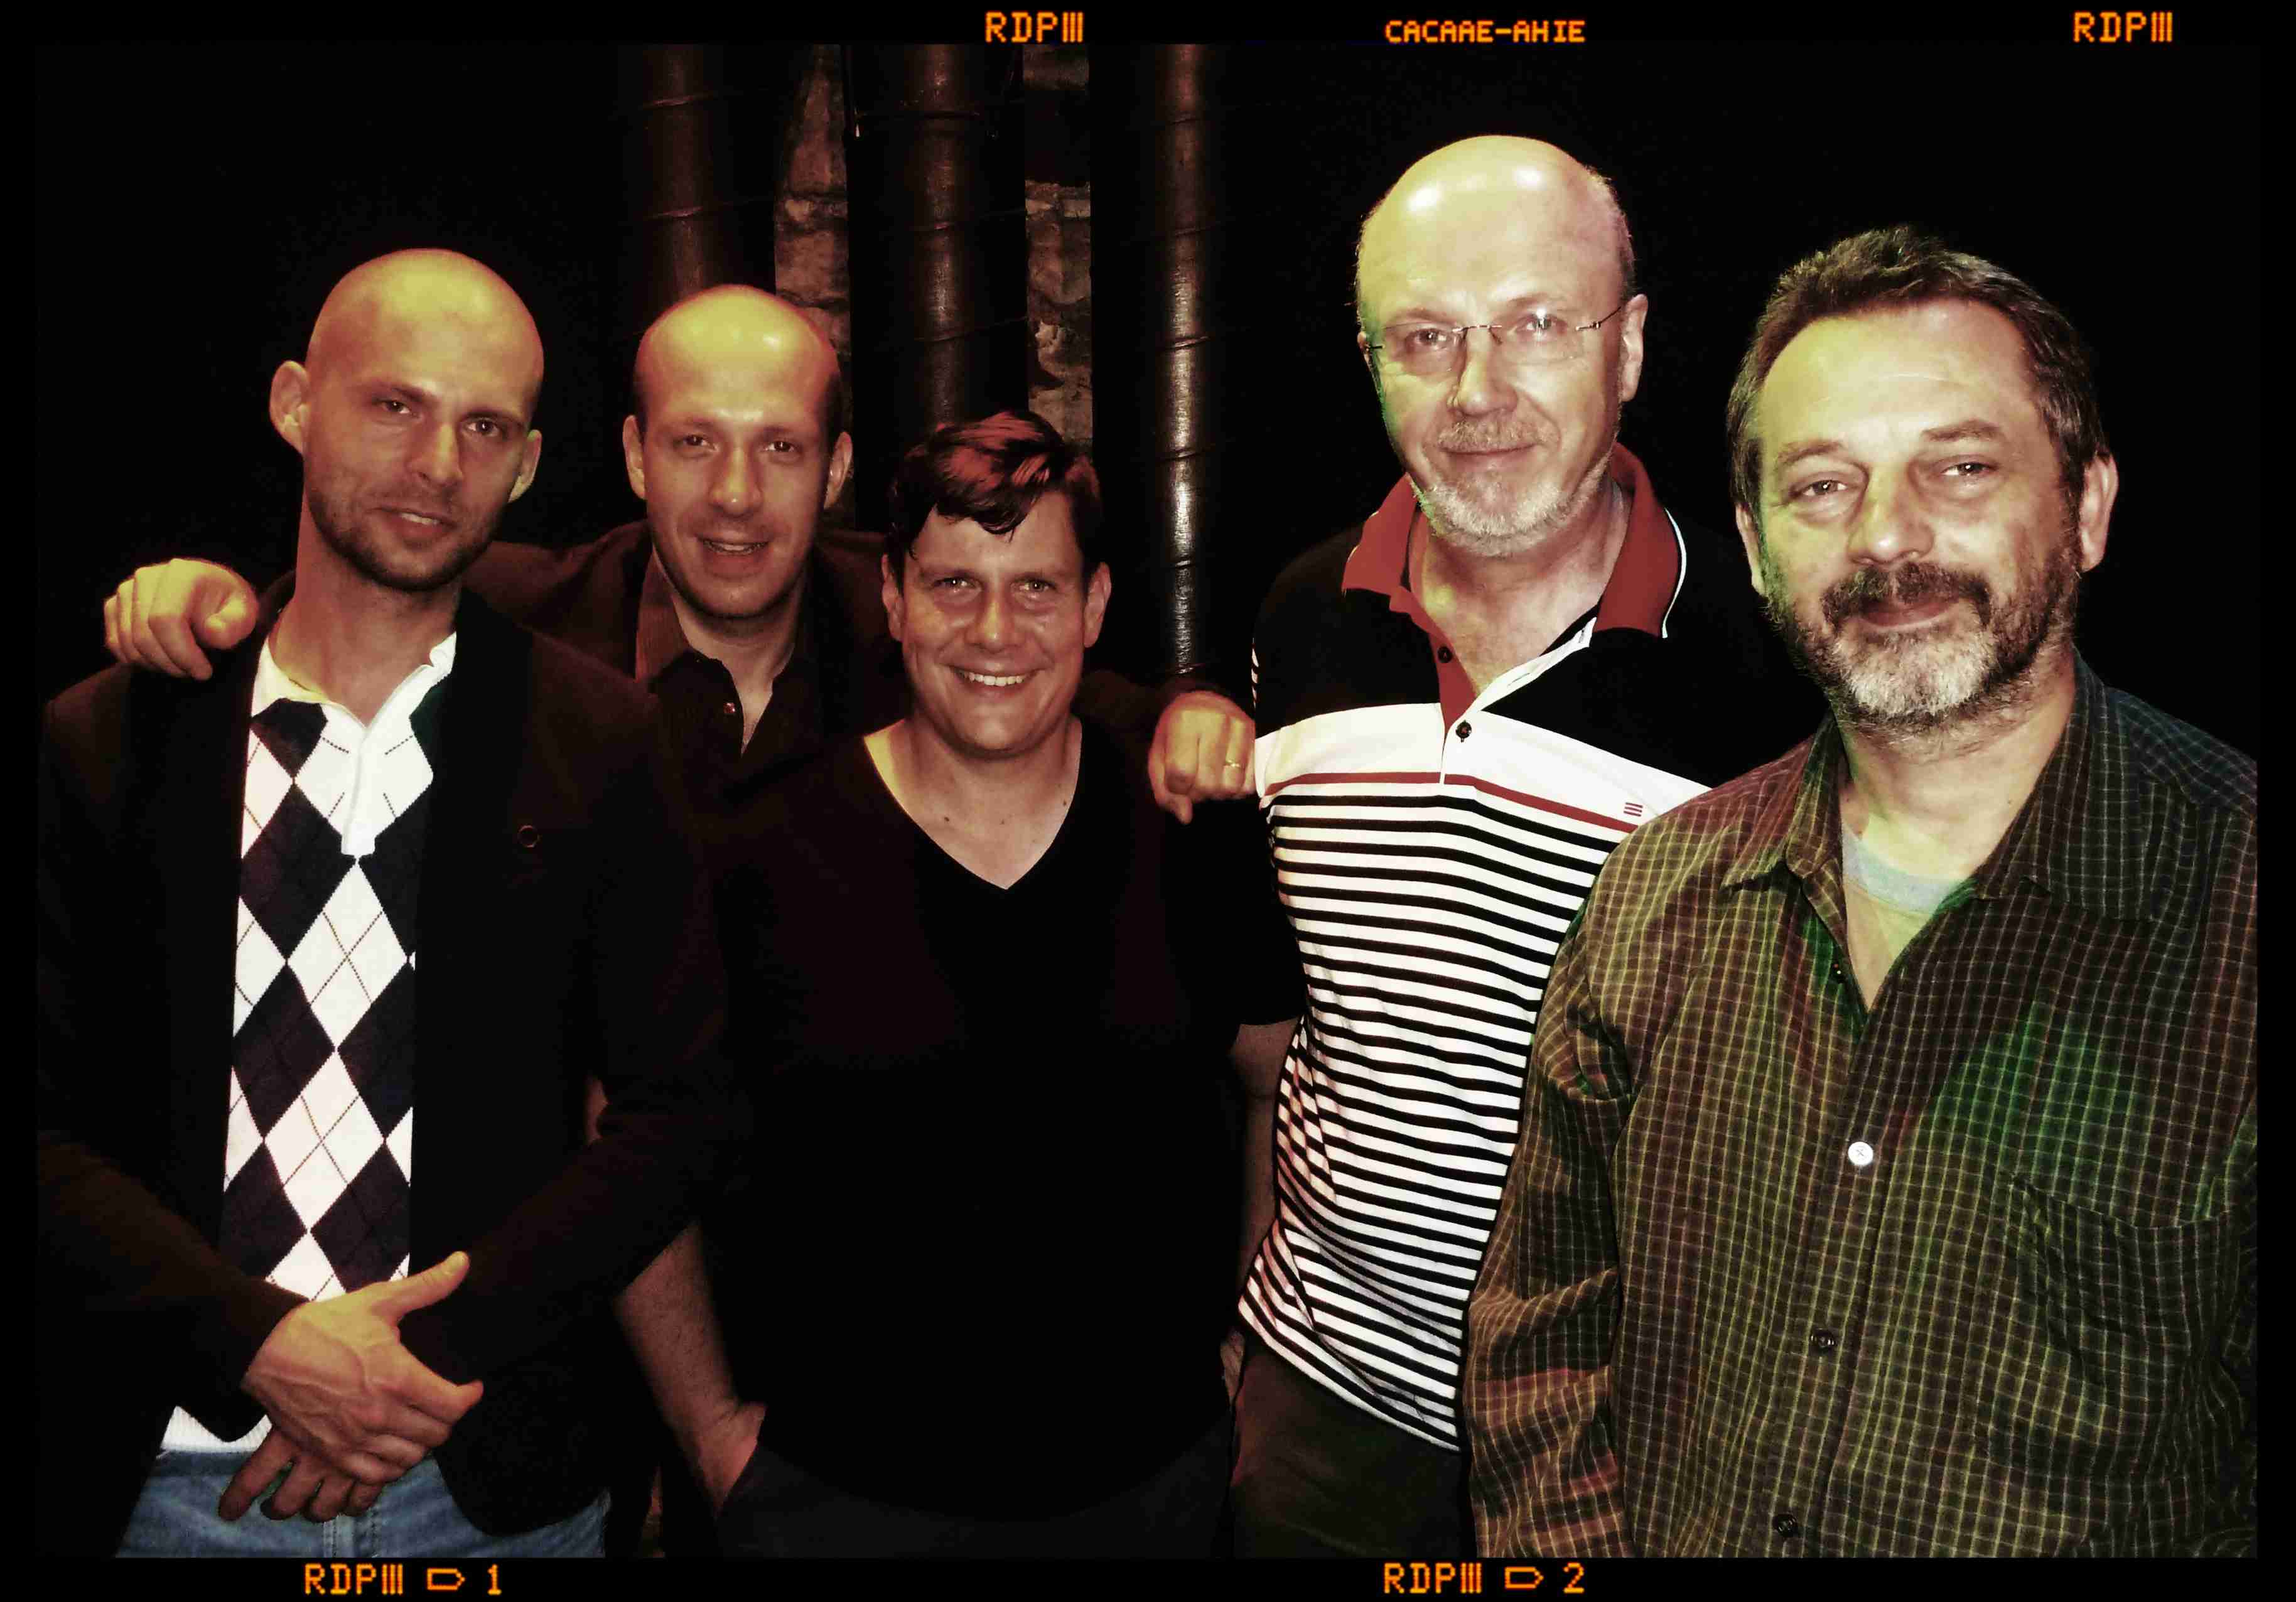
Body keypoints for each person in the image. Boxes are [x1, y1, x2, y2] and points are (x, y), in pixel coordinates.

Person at [1463, 226, 2256, 1556]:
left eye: (1959, 466)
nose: (1886, 535)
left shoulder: (2232, 910)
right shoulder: (1656, 893)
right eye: (1822, 485)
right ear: (1756, 545)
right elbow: (1544, 1340)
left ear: (2087, 506)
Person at [38, 249, 747, 1559]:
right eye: (394, 405)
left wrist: (414, 1356)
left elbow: (676, 1111)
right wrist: (256, 1343)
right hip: (169, 1486)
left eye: (483, 427)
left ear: (526, 467)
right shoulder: (116, 737)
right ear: (294, 402)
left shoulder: (597, 741)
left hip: (489, 1490)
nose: (436, 463)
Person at [1234, 137, 1816, 1556]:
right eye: (1425, 336)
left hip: (1628, 1436)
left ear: (1629, 346)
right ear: (1369, 361)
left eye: (1535, 324)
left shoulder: (1768, 664)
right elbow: (1288, 1032)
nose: (1475, 391)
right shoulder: (1304, 616)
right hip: (1323, 1406)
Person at [615, 410, 1302, 1557]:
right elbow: (633, 1135)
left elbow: (1284, 1079)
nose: (994, 630)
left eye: (1036, 588)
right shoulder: (754, 852)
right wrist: (708, 1430)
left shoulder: (1189, 835)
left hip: (1150, 1493)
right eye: (952, 584)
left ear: (1094, 606)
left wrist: (1249, 1355)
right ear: (892, 598)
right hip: (831, 1504)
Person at [99, 285, 1256, 856]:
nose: (738, 494)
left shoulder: (911, 618)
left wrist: (1193, 711)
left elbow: (1085, 692)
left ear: (835, 469)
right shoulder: (522, 612)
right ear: (635, 457)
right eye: (696, 442)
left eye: (781, 449)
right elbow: (358, 590)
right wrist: (215, 602)